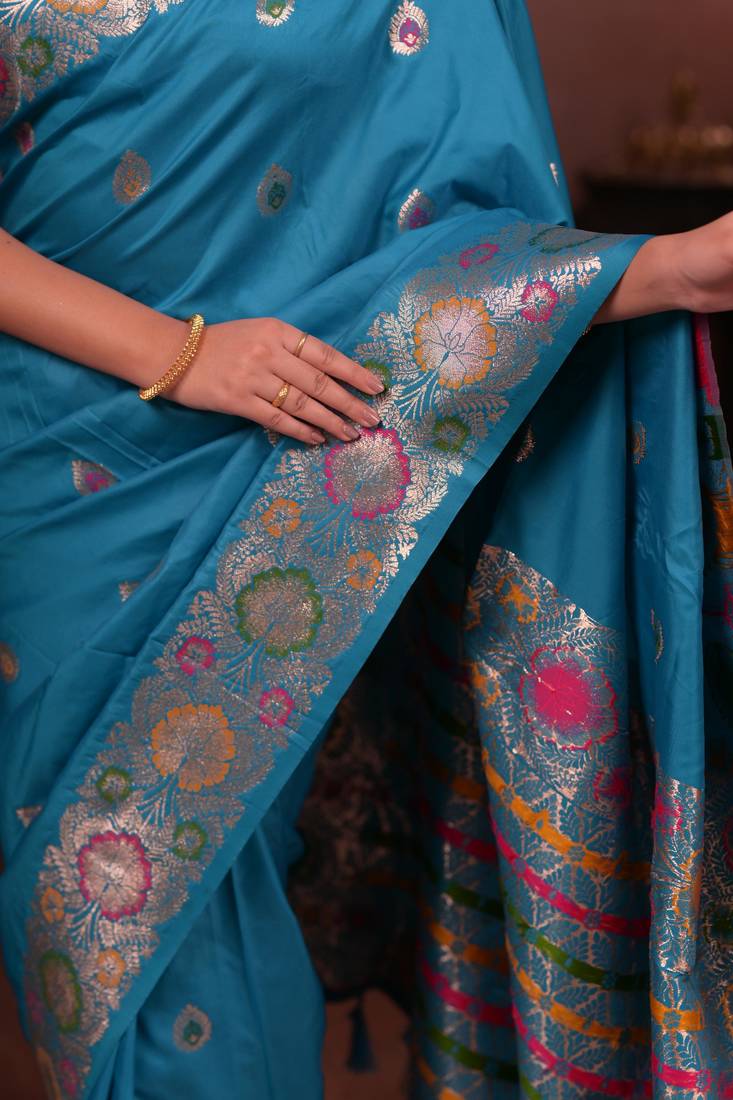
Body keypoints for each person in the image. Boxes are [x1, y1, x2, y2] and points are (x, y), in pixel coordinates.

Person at [0, 2, 731, 1097]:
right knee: (110, 924)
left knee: (202, 943)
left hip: (289, 467)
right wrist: (179, 354)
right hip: (65, 473)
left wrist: (665, 272)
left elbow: (455, 250)